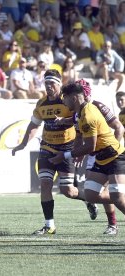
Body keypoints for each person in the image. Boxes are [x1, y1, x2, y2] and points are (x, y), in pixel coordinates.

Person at [12, 69, 97, 235]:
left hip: (66, 149)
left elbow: (80, 121)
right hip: (47, 148)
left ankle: (87, 199)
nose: (49, 86)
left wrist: (79, 146)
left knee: (68, 191)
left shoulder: (68, 102)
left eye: (52, 83)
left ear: (59, 84)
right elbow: (34, 125)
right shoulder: (41, 104)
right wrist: (23, 144)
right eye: (46, 83)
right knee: (45, 184)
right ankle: (49, 225)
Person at [49, 82, 125, 236]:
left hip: (115, 157)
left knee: (117, 198)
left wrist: (66, 155)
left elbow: (90, 146)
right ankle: (118, 202)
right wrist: (76, 150)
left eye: (65, 98)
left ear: (74, 98)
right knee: (91, 194)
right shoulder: (80, 112)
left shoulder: (89, 114)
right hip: (101, 158)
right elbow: (78, 132)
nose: (63, 101)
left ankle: (116, 212)